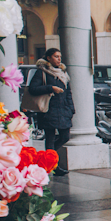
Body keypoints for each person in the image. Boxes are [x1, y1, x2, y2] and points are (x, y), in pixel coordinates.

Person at [29, 48, 74, 176]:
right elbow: (33, 89)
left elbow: (68, 93)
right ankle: (53, 166)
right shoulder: (42, 72)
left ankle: (47, 156)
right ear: (48, 58)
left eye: (60, 56)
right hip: (49, 110)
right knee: (49, 137)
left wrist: (71, 109)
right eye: (55, 56)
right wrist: (51, 88)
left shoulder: (63, 73)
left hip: (63, 110)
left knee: (65, 136)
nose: (59, 59)